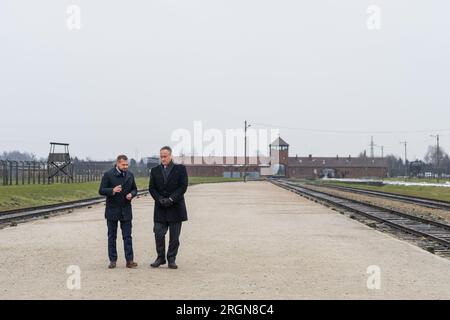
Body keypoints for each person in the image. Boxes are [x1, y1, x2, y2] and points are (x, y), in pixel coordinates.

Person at [149, 146, 188, 269]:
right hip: (160, 207)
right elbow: (152, 188)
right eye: (161, 156)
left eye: (165, 156)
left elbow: (183, 187)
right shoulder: (155, 170)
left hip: (175, 207)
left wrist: (171, 199)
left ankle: (171, 258)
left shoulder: (180, 169)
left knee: (174, 237)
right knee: (158, 233)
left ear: (170, 156)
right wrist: (159, 199)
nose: (163, 158)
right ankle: (160, 258)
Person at [99, 154, 138, 269]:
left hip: (126, 210)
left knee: (127, 236)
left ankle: (129, 261)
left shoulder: (130, 175)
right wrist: (112, 190)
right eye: (123, 164)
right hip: (112, 210)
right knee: (112, 236)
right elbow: (101, 190)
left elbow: (135, 189)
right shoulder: (108, 175)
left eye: (127, 164)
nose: (126, 166)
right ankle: (113, 260)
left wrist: (132, 194)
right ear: (117, 163)